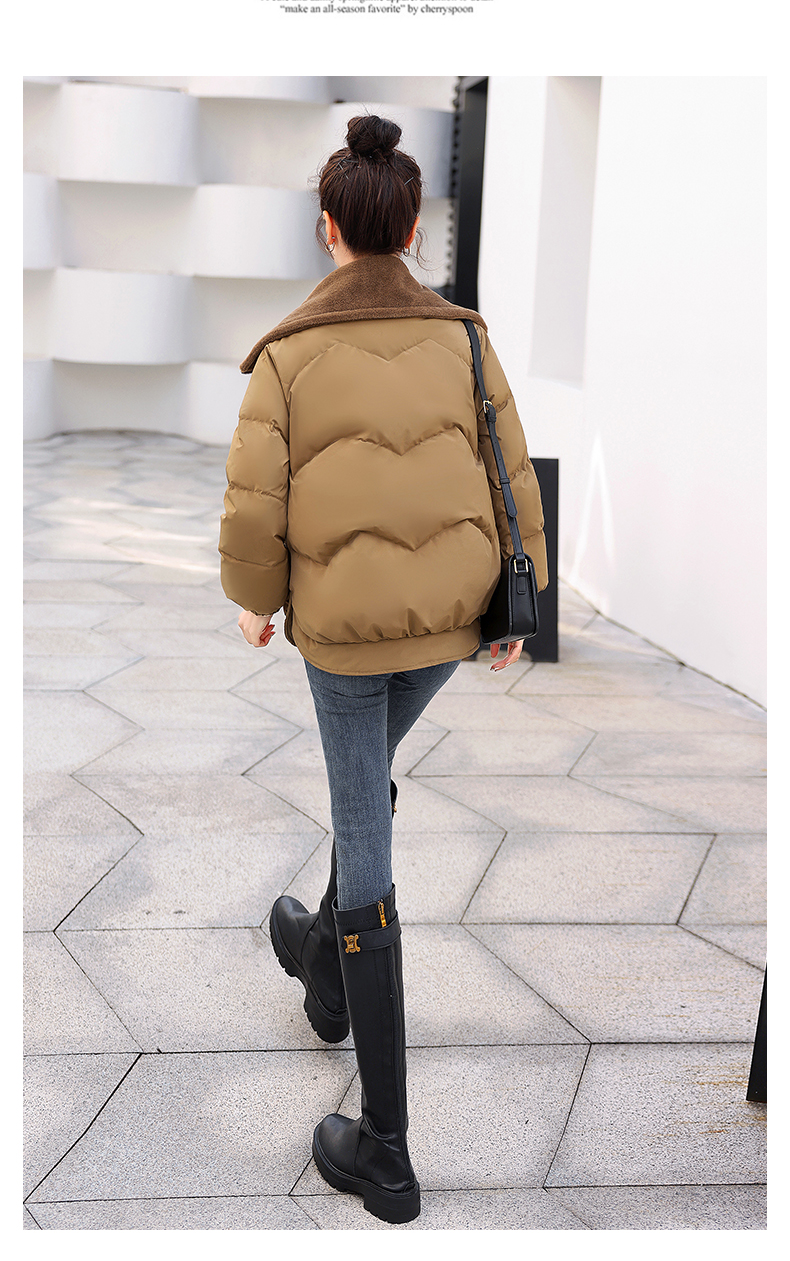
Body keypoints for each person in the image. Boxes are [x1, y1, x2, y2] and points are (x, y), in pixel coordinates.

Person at [218, 114, 548, 1224]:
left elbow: (255, 498)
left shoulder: (285, 354)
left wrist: (255, 601)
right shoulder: (465, 338)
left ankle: (387, 1151)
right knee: (365, 790)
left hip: (346, 634)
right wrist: (524, 595)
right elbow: (508, 463)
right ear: (412, 228)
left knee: (364, 831)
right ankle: (321, 960)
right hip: (450, 621)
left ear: (330, 229)